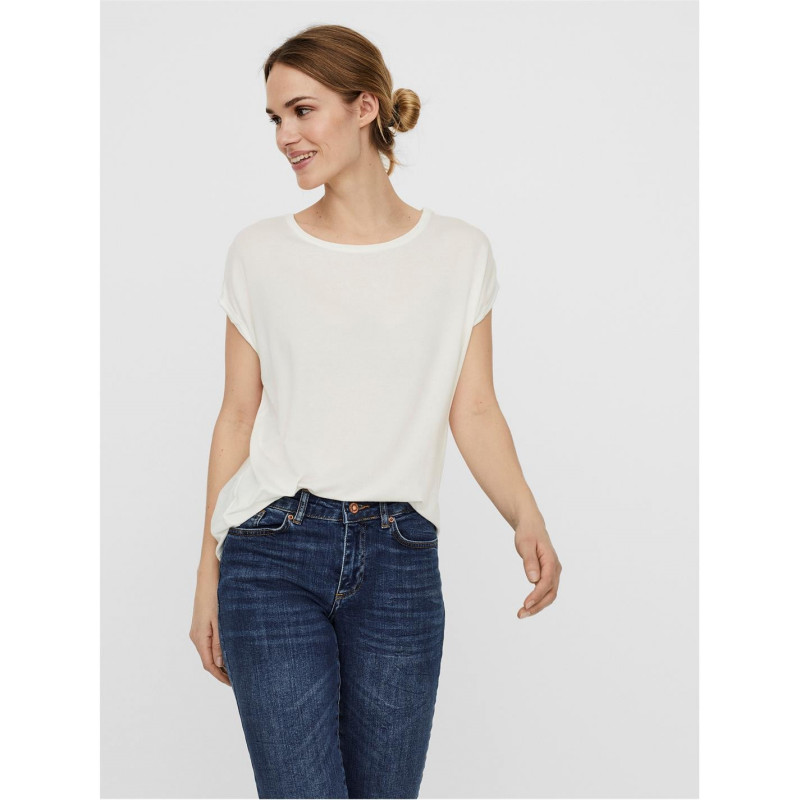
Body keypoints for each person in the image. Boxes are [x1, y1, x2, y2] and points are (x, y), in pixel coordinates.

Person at [189, 23, 562, 800]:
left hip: (401, 561)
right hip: (270, 552)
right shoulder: (259, 253)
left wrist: (524, 514)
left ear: (365, 107)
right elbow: (236, 417)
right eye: (275, 119)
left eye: (302, 111)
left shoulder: (459, 252)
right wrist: (207, 573)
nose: (285, 136)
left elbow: (475, 408)